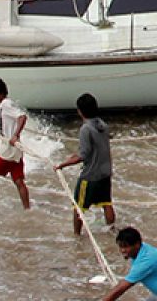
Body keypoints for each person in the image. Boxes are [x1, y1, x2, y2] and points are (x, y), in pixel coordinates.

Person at [55, 92, 115, 235]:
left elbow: (82, 156)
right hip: (105, 173)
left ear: (80, 111)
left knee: (78, 207)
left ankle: (77, 236)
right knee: (107, 203)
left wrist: (61, 165)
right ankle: (112, 230)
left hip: (90, 176)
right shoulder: (103, 124)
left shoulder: (85, 129)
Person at [103, 227, 157, 301]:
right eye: (120, 247)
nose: (122, 250)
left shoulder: (146, 261)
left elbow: (121, 288)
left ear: (137, 244)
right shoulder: (142, 249)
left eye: (126, 246)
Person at [0, 77, 30, 212]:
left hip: (8, 150)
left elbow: (22, 117)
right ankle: (27, 209)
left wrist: (15, 135)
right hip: (15, 150)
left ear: (1, 92)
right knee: (18, 181)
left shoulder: (6, 105)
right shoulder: (7, 104)